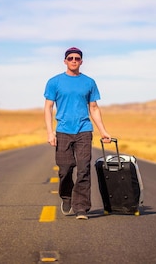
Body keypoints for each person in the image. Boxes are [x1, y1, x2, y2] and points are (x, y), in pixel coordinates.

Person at [44, 47, 112, 220]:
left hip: (84, 130)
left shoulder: (89, 82)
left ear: (81, 61)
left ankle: (81, 207)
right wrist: (50, 132)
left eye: (77, 58)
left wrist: (103, 131)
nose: (74, 60)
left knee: (84, 169)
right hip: (63, 131)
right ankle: (66, 197)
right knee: (65, 169)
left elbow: (94, 108)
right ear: (65, 61)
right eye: (70, 58)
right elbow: (48, 107)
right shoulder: (54, 82)